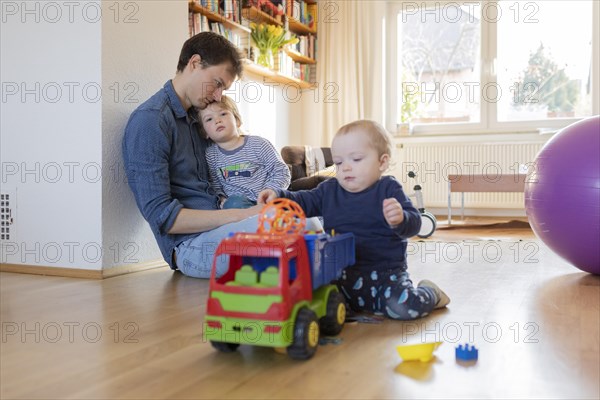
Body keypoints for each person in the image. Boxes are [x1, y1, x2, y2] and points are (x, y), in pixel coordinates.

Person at [258, 120, 450, 320]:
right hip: (341, 276)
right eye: (339, 162)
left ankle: (430, 293)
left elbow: (415, 224)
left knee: (403, 308)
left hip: (386, 277)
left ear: (382, 162)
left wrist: (400, 218)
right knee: (315, 304)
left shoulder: (388, 189)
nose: (346, 168)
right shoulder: (329, 190)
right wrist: (279, 196)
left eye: (356, 159)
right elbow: (302, 200)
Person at [122, 32, 264, 279]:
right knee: (288, 236)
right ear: (195, 63)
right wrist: (242, 215)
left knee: (307, 222)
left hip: (226, 226)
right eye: (218, 83)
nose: (219, 96)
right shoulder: (150, 121)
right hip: (191, 246)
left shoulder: (202, 121)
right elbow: (162, 217)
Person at [199, 95, 291, 209]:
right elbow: (215, 184)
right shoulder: (211, 154)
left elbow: (281, 171)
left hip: (267, 201)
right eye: (209, 119)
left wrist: (270, 191)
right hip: (238, 206)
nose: (217, 120)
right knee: (232, 203)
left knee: (292, 203)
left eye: (223, 114)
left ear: (237, 120)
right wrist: (222, 199)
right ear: (205, 132)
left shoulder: (258, 144)